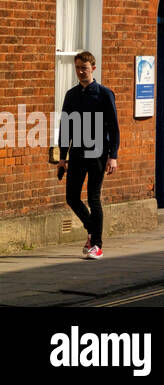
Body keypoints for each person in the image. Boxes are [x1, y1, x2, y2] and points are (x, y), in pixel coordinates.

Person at [57, 51, 119, 260]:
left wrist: (113, 155)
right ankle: (93, 230)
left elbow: (114, 127)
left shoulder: (104, 93)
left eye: (84, 68)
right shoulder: (71, 95)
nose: (81, 72)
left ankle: (97, 245)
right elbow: (65, 127)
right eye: (77, 68)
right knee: (72, 197)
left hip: (99, 153)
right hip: (77, 153)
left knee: (93, 198)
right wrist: (62, 156)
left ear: (93, 68)